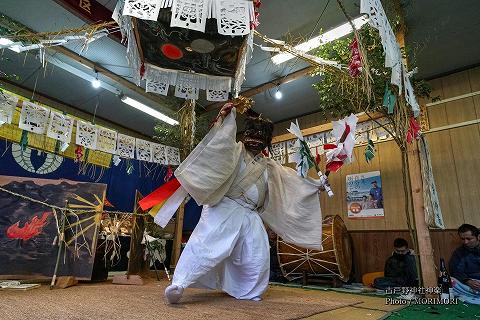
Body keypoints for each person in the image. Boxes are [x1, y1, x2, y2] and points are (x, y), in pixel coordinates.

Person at [164, 104, 326, 304]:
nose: (256, 141)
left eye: (261, 139)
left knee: (256, 253)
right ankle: (179, 284)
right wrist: (223, 119)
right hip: (224, 207)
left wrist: (316, 185)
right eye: (252, 135)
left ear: (266, 143)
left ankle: (249, 290)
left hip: (250, 214)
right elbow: (219, 143)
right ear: (245, 135)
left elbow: (293, 181)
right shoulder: (233, 151)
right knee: (205, 246)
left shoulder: (270, 166)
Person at [449, 224, 480, 304]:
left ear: (478, 237)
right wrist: (468, 281)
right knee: (450, 281)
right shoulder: (459, 252)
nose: (465, 242)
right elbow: (455, 270)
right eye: (463, 239)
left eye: (469, 239)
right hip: (469, 284)